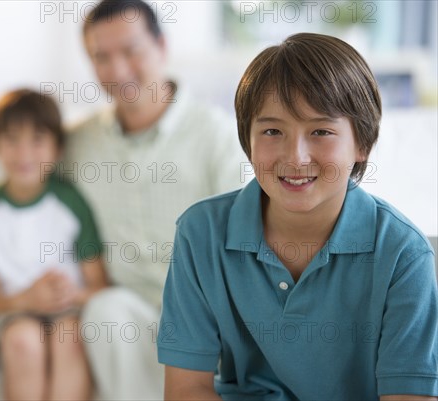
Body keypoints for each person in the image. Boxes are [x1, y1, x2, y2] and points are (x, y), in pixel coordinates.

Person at [157, 33, 438, 400]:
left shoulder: (404, 254)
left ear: (362, 144)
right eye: (273, 131)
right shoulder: (200, 233)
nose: (296, 157)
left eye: (321, 131)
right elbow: (186, 390)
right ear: (247, 139)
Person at [64, 1, 249, 398]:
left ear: (162, 47)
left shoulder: (217, 134)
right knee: (105, 312)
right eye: (101, 57)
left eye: (131, 51)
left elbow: (248, 232)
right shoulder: (77, 144)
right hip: (128, 311)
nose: (117, 70)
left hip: (205, 312)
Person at [0, 89, 108, 400]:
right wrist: (25, 300)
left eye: (37, 140)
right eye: (11, 139)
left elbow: (100, 285)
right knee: (23, 340)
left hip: (68, 310)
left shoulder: (70, 203)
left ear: (57, 148)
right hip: (12, 312)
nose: (24, 153)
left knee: (69, 337)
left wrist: (71, 294)